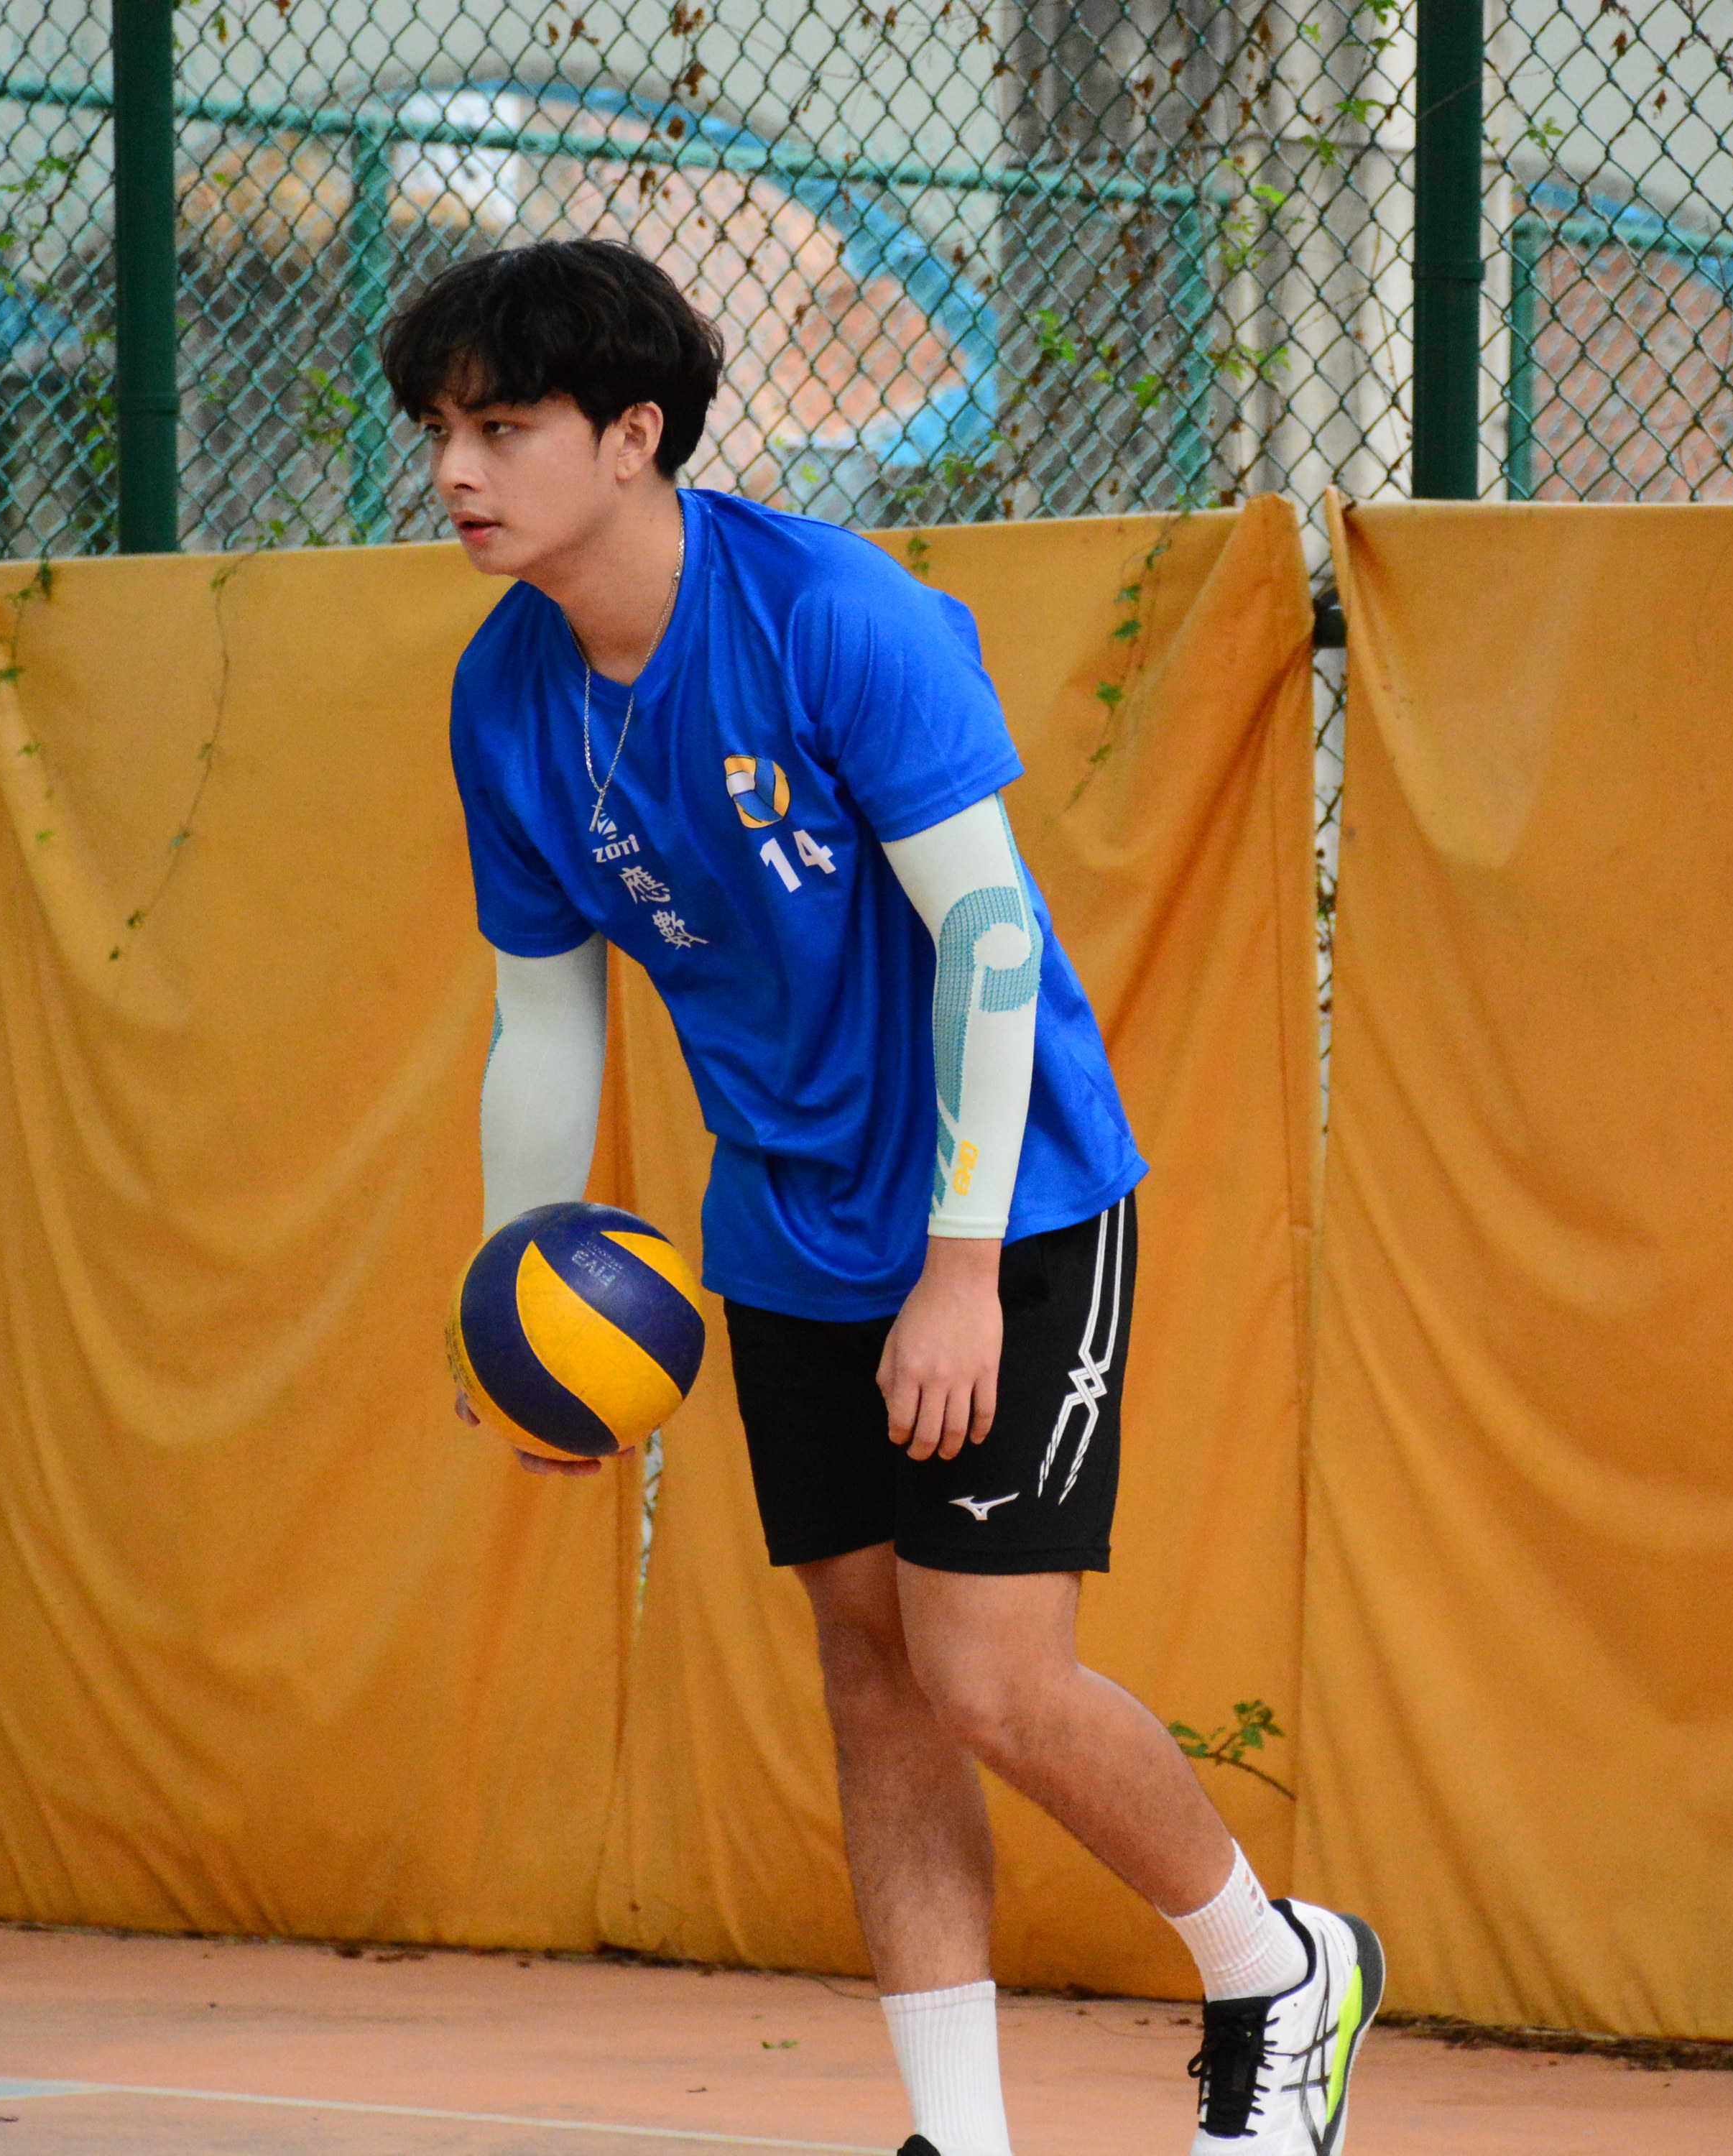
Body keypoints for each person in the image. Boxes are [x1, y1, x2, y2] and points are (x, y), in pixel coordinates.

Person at [387, 237, 1381, 2156]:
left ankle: (1278, 1972)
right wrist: (514, 1298)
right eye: (441, 428)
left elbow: (990, 945)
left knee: (990, 1676)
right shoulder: (503, 696)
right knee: (872, 1676)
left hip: (1010, 1197)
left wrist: (960, 1271)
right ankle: (958, 2135)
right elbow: (544, 1018)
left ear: (635, 433)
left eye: (501, 426)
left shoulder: (839, 618)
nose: (455, 470)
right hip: (785, 1223)